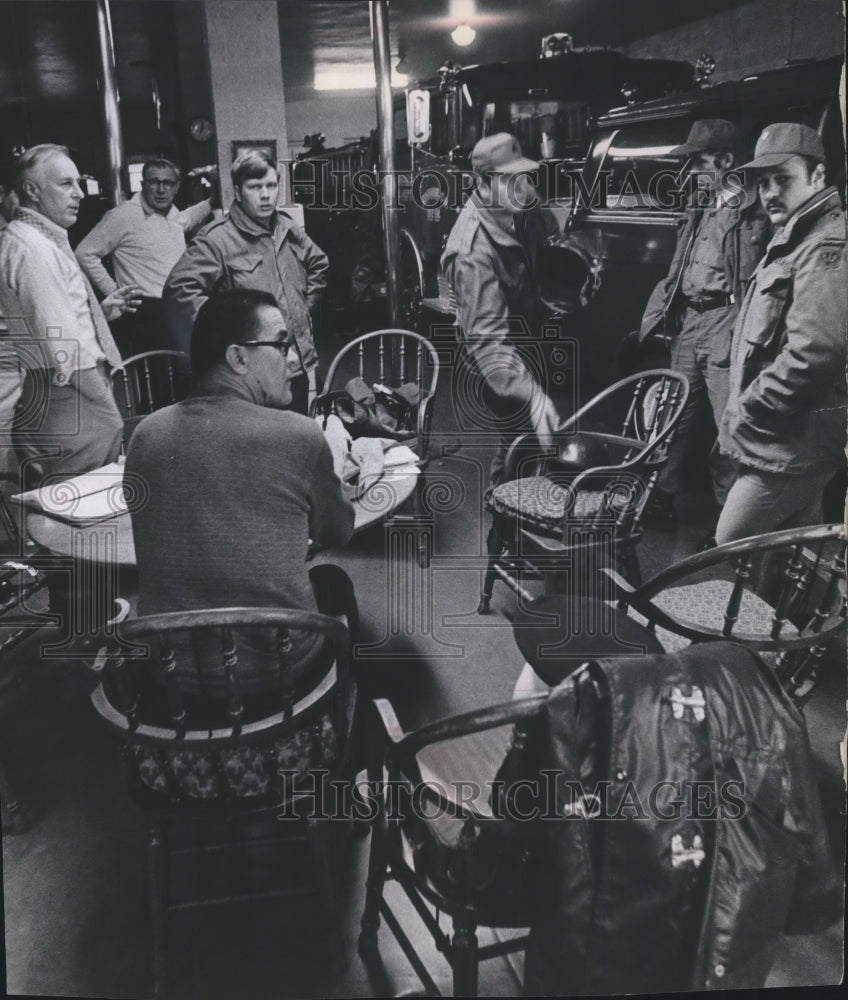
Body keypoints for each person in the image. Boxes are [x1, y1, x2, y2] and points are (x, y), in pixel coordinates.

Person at [125, 288, 356, 700]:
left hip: (171, 676)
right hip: (278, 674)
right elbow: (339, 532)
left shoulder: (145, 436)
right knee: (333, 581)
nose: (293, 359)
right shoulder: (299, 435)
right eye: (281, 344)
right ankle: (349, 716)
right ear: (238, 358)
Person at [716, 123, 847, 544]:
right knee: (793, 551)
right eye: (763, 182)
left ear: (818, 176)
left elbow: (815, 351)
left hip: (791, 445)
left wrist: (750, 406)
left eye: (783, 179)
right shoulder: (796, 237)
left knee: (731, 539)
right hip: (791, 441)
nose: (770, 192)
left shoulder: (824, 246)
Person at [639, 119, 769, 531]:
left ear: (726, 160)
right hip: (690, 318)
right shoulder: (700, 201)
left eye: (698, 161)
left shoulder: (755, 208)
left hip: (724, 320)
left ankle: (732, 524)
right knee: (671, 414)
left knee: (729, 423)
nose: (690, 170)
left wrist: (744, 326)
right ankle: (660, 498)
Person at [0, 144, 141, 488]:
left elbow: (46, 319)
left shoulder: (31, 240)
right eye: (66, 184)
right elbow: (61, 343)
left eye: (78, 182)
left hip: (54, 389)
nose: (79, 193)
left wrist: (98, 315)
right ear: (32, 190)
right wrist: (104, 403)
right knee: (82, 498)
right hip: (70, 391)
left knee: (67, 496)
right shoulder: (35, 249)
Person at [163, 149, 329, 414]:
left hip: (293, 364)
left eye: (271, 185)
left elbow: (319, 263)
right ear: (238, 192)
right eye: (255, 187)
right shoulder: (216, 239)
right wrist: (229, 336)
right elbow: (178, 291)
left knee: (294, 432)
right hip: (249, 375)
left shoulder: (286, 227)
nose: (265, 195)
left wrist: (302, 311)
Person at [441, 132, 560, 487]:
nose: (523, 188)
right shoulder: (471, 252)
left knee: (529, 441)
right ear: (483, 183)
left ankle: (521, 499)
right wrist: (533, 396)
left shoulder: (518, 201)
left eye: (525, 176)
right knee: (519, 440)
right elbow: (489, 343)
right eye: (510, 180)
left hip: (524, 334)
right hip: (491, 354)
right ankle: (503, 507)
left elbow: (549, 230)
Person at [74, 157, 212, 356]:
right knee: (158, 371)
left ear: (176, 187)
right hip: (146, 311)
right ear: (142, 184)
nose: (161, 189)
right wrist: (115, 292)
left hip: (177, 306)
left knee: (184, 366)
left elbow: (186, 219)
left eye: (167, 183)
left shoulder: (172, 213)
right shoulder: (122, 215)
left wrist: (211, 202)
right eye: (154, 182)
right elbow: (84, 253)